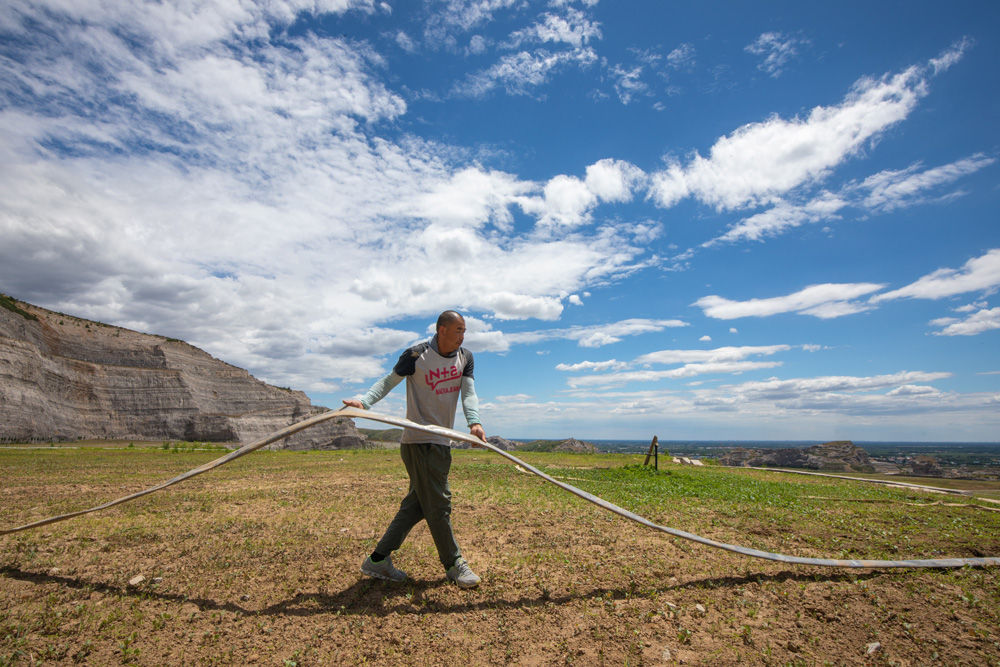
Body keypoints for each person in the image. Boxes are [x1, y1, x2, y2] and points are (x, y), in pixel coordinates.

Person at [343, 310, 485, 588]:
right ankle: (454, 564)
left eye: (464, 331)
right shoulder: (416, 355)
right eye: (458, 330)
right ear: (441, 329)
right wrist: (364, 403)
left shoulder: (465, 357)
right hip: (418, 443)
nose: (462, 336)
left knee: (417, 505)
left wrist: (474, 422)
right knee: (439, 504)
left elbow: (468, 394)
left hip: (441, 442)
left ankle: (378, 559)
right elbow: (388, 381)